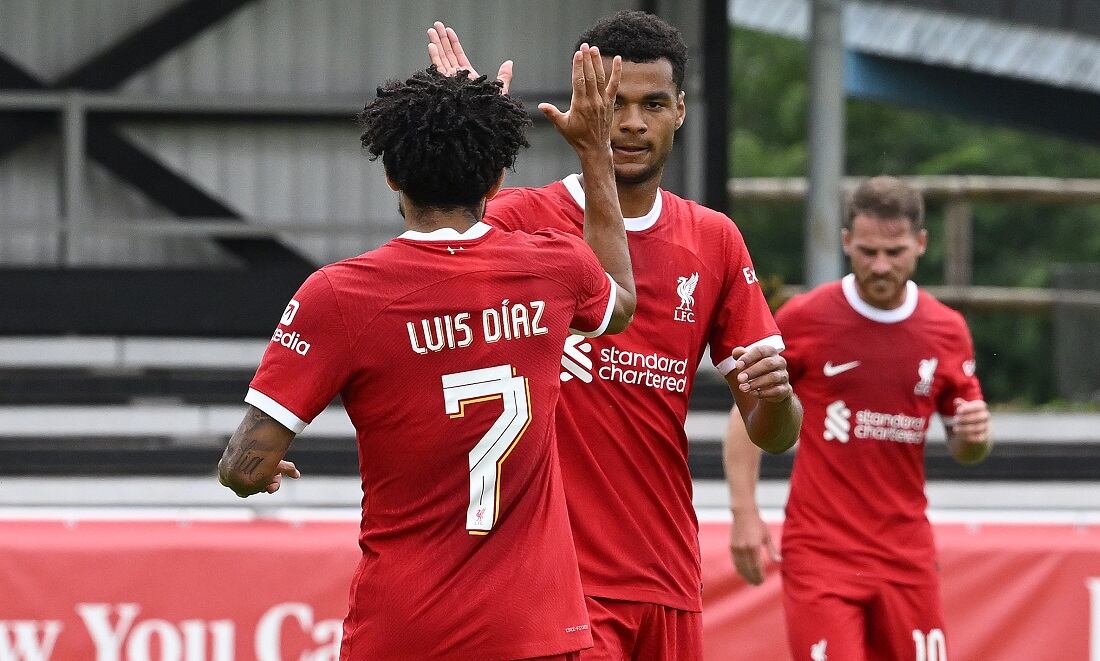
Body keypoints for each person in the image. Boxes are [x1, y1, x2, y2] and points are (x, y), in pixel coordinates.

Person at [218, 47, 638, 661]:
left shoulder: (341, 294)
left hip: (407, 632)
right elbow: (621, 305)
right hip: (536, 631)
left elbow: (243, 468)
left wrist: (254, 475)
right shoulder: (557, 265)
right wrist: (595, 158)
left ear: (390, 173)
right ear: (497, 180)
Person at [428, 12, 802, 660]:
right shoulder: (521, 220)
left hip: (667, 577)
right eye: (614, 101)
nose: (630, 122)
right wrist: (463, 125)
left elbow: (776, 431)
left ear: (681, 110)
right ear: (582, 106)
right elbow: (423, 256)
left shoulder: (712, 238)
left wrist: (775, 397)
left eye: (652, 103)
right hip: (557, 582)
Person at [724, 176, 993, 660]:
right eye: (868, 251)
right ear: (846, 241)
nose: (881, 265)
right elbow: (747, 416)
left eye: (895, 251)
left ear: (921, 245)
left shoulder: (947, 330)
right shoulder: (806, 316)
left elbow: (966, 447)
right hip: (822, 553)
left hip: (905, 556)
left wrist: (977, 436)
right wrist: (744, 513)